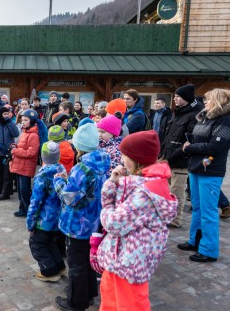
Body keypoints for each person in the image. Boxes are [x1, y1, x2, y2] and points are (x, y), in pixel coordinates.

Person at [98, 130, 177, 311]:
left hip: (129, 261)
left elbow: (114, 223)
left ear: (136, 159)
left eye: (125, 155)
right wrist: (113, 183)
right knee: (111, 301)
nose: (122, 159)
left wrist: (107, 209)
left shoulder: (145, 192)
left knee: (129, 304)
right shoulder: (145, 182)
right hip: (122, 258)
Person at [53, 121, 110, 311]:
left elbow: (70, 199)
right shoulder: (103, 162)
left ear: (81, 146)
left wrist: (59, 182)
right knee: (88, 259)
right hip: (95, 221)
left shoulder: (81, 169)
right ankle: (89, 293)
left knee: (76, 263)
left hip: (77, 224)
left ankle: (75, 302)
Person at [178, 88, 230, 263]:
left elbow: (215, 146)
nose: (205, 102)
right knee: (198, 208)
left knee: (208, 211)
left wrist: (189, 147)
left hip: (210, 171)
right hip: (196, 167)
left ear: (218, 101)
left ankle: (209, 249)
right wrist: (189, 144)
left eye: (208, 99)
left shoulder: (225, 120)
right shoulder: (205, 118)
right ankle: (195, 241)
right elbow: (198, 139)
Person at [160, 84, 203, 228]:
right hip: (167, 158)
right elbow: (168, 136)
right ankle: (166, 216)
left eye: (178, 96)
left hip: (180, 161)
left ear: (186, 98)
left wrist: (171, 156)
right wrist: (163, 154)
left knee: (176, 192)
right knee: (165, 191)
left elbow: (188, 141)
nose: (175, 99)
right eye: (175, 96)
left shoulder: (194, 115)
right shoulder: (177, 113)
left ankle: (174, 220)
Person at [27, 141, 67, 282]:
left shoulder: (42, 176)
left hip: (44, 220)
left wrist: (30, 223)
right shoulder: (61, 170)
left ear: (43, 157)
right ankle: (59, 266)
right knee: (50, 242)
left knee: (37, 243)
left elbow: (35, 202)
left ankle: (49, 271)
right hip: (58, 217)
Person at [10, 109, 44, 215]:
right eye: (22, 120)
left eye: (26, 120)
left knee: (25, 191)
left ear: (32, 121)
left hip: (26, 167)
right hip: (19, 165)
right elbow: (22, 147)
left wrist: (15, 151)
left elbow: (31, 153)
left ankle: (29, 210)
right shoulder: (24, 133)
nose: (23, 122)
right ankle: (22, 209)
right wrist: (15, 146)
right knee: (20, 190)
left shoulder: (33, 135)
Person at [0, 106, 19, 200]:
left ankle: (6, 193)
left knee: (7, 174)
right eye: (4, 114)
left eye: (7, 114)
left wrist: (10, 123)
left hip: (8, 152)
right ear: (0, 114)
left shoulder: (10, 123)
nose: (6, 116)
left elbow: (16, 134)